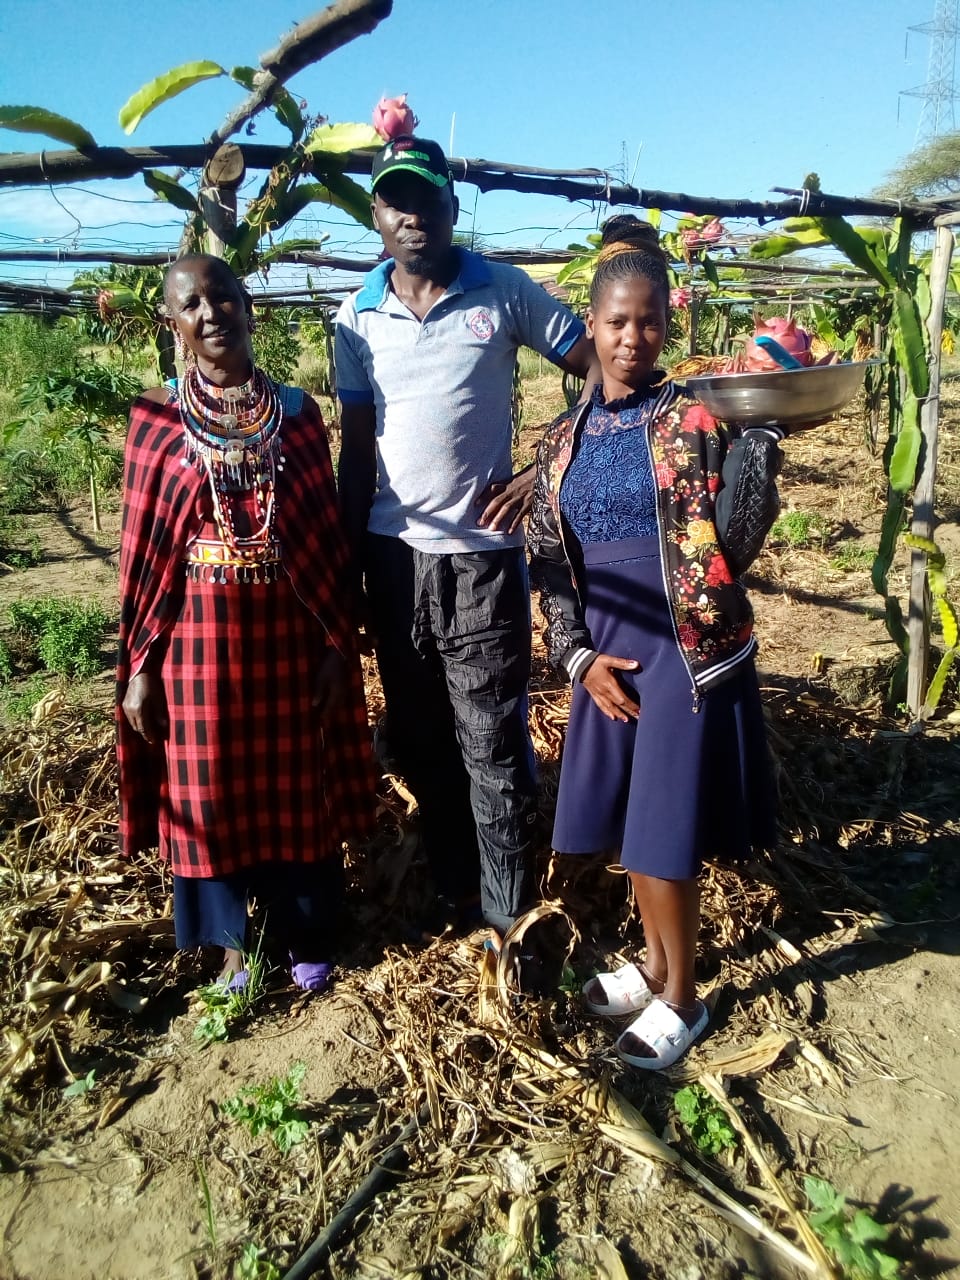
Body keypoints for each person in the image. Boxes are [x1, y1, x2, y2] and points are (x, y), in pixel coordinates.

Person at [528, 215, 784, 1068]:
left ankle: (683, 997)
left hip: (686, 645)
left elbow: (736, 540)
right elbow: (548, 561)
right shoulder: (561, 443)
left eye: (649, 322)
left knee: (662, 826)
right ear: (590, 328)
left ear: (666, 326)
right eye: (616, 322)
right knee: (633, 820)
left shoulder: (696, 420)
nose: (633, 337)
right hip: (607, 646)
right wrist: (577, 658)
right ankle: (651, 961)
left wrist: (760, 457)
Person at [335, 135, 598, 943]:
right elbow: (355, 449)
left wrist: (542, 466)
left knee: (491, 740)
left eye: (426, 200)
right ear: (376, 216)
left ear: (452, 207)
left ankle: (508, 917)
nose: (412, 216)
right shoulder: (355, 317)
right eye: (394, 202)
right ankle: (457, 886)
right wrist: (348, 569)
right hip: (392, 559)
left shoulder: (504, 291)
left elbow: (599, 368)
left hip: (482, 559)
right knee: (421, 738)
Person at [117, 254, 377, 992]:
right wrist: (140, 670)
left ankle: (307, 931)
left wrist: (336, 648)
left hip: (288, 640)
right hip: (194, 651)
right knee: (208, 788)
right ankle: (235, 947)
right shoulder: (156, 419)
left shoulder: (296, 414)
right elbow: (142, 563)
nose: (211, 313)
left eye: (223, 296)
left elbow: (324, 539)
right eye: (191, 304)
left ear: (247, 306)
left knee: (296, 785)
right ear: (174, 324)